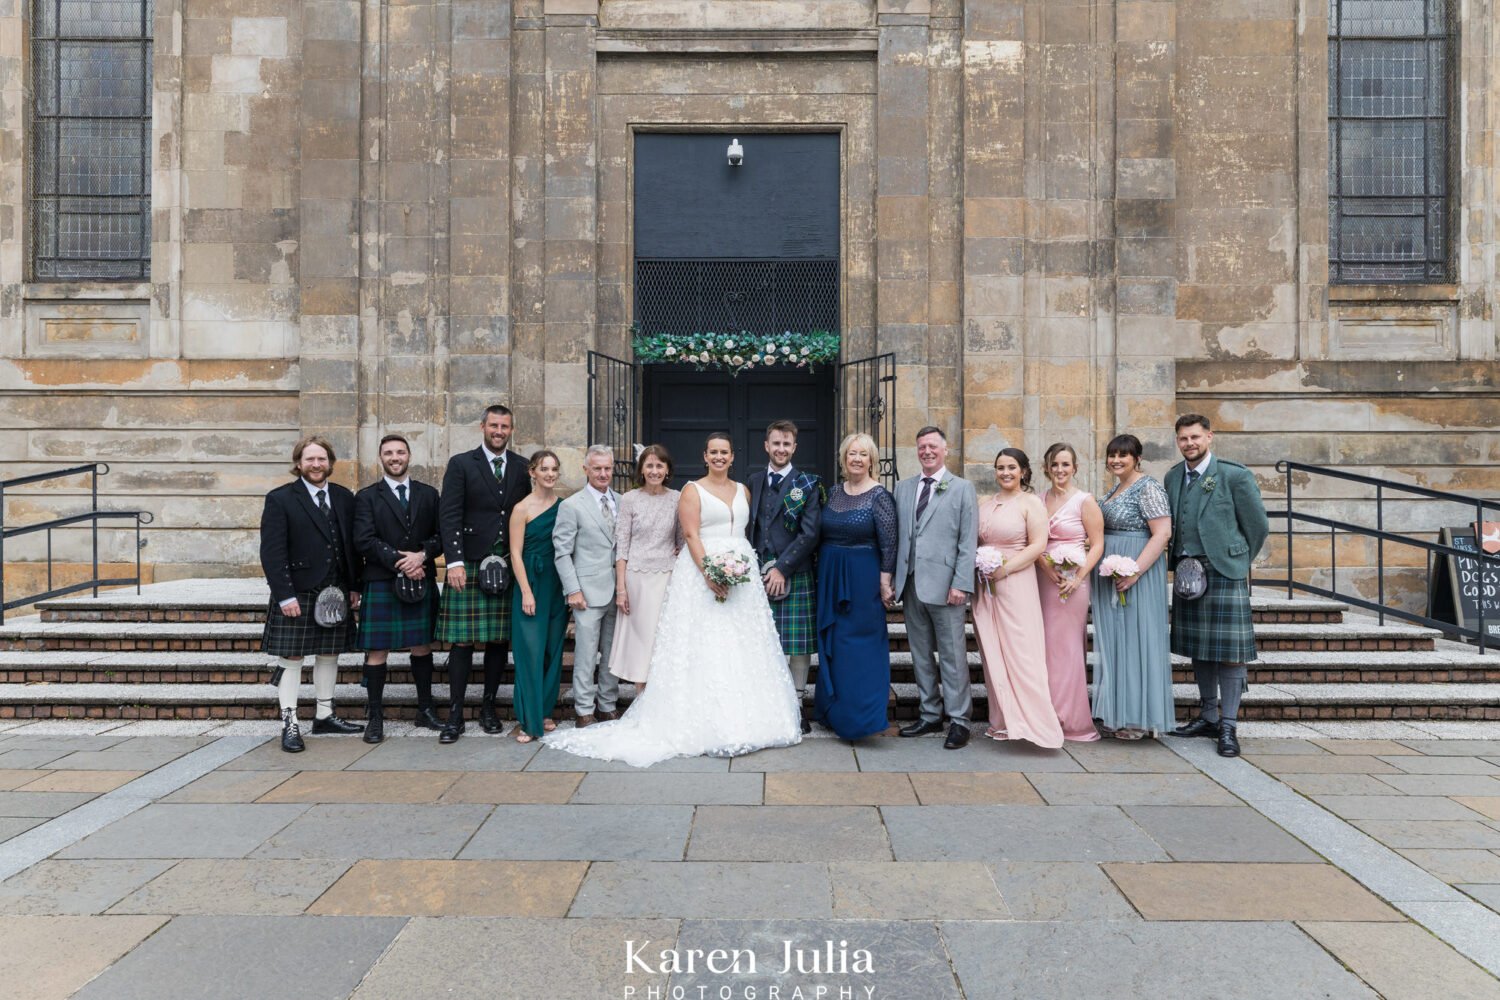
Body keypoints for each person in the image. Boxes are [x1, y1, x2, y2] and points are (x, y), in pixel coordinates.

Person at [542, 431, 801, 766]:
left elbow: (742, 532)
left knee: (742, 643)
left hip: (741, 576)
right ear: (704, 456)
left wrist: (739, 566)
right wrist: (709, 572)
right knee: (700, 643)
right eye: (713, 452)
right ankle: (600, 709)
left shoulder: (744, 490)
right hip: (699, 571)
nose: (719, 457)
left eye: (725, 452)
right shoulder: (691, 492)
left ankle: (750, 717)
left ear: (732, 456)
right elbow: (691, 534)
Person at [1166, 413, 1270, 758]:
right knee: (1200, 649)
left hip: (1224, 571)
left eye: (1195, 437)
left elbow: (1257, 526)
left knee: (1229, 653)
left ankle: (1228, 725)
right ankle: (1208, 715)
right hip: (1188, 574)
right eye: (1183, 438)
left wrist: (1236, 560)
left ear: (1209, 437)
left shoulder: (1233, 475)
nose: (1189, 444)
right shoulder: (1172, 478)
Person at [259, 435, 364, 753]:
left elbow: (351, 546)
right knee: (291, 657)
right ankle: (289, 722)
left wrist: (355, 585)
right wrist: (284, 595)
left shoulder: (345, 497)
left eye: (321, 459)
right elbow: (272, 553)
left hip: (336, 590)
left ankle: (325, 714)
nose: (316, 465)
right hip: (299, 592)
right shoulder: (281, 499)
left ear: (331, 463)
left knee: (330, 653)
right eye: (310, 459)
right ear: (298, 464)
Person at [435, 404, 530, 742]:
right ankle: (456, 713)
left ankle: (488, 707)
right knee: (462, 642)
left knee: (497, 641)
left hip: (506, 564)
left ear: (511, 429)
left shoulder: (522, 466)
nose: (499, 431)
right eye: (494, 425)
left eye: (505, 426)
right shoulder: (462, 464)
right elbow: (449, 514)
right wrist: (455, 562)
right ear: (483, 427)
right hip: (471, 563)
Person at [351, 433, 442, 743]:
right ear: (381, 458)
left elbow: (441, 536)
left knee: (422, 646)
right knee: (377, 651)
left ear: (408, 456)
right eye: (388, 453)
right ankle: (374, 717)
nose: (395, 457)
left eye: (400, 452)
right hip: (381, 580)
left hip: (421, 578)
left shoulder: (428, 494)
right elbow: (363, 539)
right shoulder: (366, 497)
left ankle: (425, 710)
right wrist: (402, 561)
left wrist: (423, 555)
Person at [892, 426, 979, 749]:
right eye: (921, 447)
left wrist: (961, 583)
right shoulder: (903, 488)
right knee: (920, 653)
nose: (926, 451)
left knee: (953, 655)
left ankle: (959, 719)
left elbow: (967, 541)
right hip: (911, 583)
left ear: (945, 450)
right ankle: (930, 713)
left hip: (947, 587)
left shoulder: (961, 488)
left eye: (932, 446)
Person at [973, 448, 1064, 748]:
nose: (1005, 473)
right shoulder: (986, 504)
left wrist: (1006, 569)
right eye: (1000, 468)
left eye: (1011, 467)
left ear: (1024, 471)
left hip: (1017, 583)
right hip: (986, 587)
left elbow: (1038, 545)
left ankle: (1034, 723)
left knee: (1021, 653)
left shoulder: (1030, 504)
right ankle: (1002, 720)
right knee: (993, 652)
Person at [1090, 433, 1174, 739]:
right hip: (1112, 574)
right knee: (1118, 644)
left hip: (1136, 574)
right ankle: (1121, 711)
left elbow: (1162, 533)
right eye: (1112, 455)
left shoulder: (1148, 487)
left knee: (1137, 642)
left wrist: (1135, 571)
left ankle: (1139, 718)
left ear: (1136, 458)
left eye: (1123, 455)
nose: (1116, 460)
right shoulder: (1115, 488)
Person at [816, 433, 897, 741]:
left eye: (863, 454)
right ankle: (833, 711)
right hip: (831, 573)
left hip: (863, 578)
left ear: (872, 460)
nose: (857, 459)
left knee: (860, 646)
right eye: (852, 453)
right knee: (833, 642)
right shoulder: (834, 492)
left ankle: (862, 719)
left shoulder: (879, 496)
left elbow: (889, 543)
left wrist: (885, 581)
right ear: (843, 458)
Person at [748, 420, 824, 734]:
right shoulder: (752, 482)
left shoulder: (808, 483)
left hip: (794, 572)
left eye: (787, 444)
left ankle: (796, 706)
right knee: (764, 642)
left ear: (794, 447)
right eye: (776, 443)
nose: (781, 449)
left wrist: (782, 568)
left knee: (798, 645)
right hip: (756, 574)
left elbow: (810, 535)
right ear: (767, 445)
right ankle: (768, 705)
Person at [1036, 442, 1103, 742]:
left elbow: (1097, 543)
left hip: (1073, 583)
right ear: (1046, 468)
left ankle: (1070, 718)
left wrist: (1077, 578)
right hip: (1042, 579)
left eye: (1065, 464)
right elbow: (1033, 541)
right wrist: (1048, 570)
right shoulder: (1037, 500)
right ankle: (1044, 713)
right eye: (1055, 464)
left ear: (1075, 467)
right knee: (1043, 647)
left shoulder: (1085, 501)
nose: (1060, 470)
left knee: (1068, 648)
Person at [553, 445, 622, 728]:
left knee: (612, 652)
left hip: (619, 590)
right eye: (597, 468)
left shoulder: (623, 500)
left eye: (607, 468)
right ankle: (584, 709)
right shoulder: (571, 505)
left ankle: (607, 705)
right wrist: (573, 590)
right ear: (586, 470)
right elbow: (562, 552)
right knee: (585, 654)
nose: (603, 473)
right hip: (587, 592)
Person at [608, 445, 682, 697]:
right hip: (636, 579)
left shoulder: (677, 498)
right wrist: (621, 589)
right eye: (649, 465)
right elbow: (622, 547)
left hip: (667, 578)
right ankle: (642, 698)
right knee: (641, 640)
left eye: (659, 465)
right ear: (641, 469)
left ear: (667, 469)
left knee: (662, 638)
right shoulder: (629, 499)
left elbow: (683, 541)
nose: (654, 471)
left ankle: (663, 696)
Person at [509, 450, 567, 743]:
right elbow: (515, 553)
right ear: (532, 472)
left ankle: (544, 711)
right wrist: (526, 592)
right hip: (530, 581)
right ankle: (528, 720)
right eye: (544, 468)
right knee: (529, 651)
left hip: (556, 583)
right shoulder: (522, 509)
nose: (549, 474)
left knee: (552, 650)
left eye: (554, 469)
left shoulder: (564, 507)